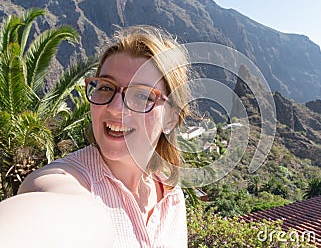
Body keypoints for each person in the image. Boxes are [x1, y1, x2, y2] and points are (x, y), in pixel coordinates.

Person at [14, 25, 190, 247]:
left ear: (171, 118)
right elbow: (46, 205)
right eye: (106, 88)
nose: (115, 108)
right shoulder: (61, 181)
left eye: (141, 95)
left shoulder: (172, 199)